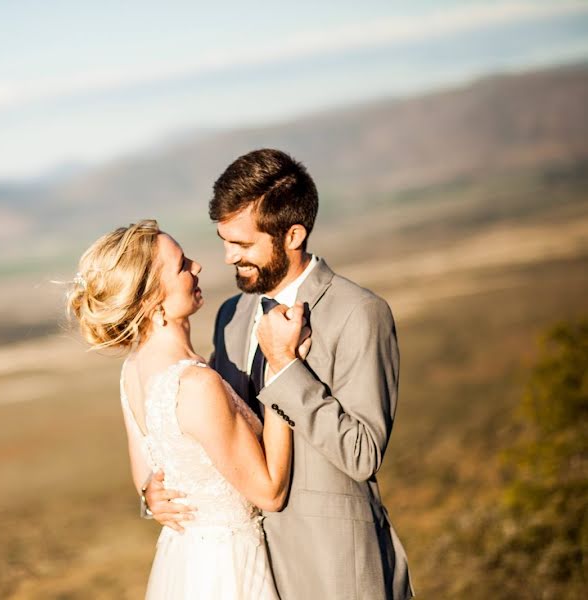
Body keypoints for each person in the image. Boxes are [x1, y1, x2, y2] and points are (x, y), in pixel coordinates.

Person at [145, 149, 414, 599]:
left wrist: (287, 368)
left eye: (244, 244)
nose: (228, 257)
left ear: (293, 234)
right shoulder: (230, 314)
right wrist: (157, 491)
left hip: (332, 568)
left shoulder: (359, 313)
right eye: (224, 240)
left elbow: (363, 453)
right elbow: (222, 427)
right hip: (245, 569)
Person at [67, 219, 312, 599]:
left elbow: (147, 478)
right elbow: (270, 493)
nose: (197, 267)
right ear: (151, 300)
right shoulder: (196, 385)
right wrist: (282, 366)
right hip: (228, 570)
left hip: (185, 564)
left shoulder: (132, 371)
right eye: (182, 265)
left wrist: (151, 497)